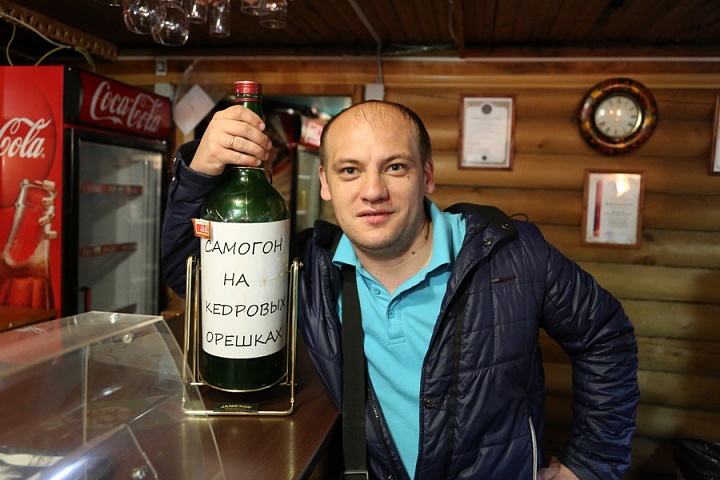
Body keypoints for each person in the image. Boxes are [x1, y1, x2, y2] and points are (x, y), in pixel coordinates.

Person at [161, 100, 640, 480]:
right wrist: (199, 171)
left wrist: (591, 463)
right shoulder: (307, 268)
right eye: (350, 170)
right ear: (325, 183)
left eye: (394, 167)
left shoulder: (512, 255)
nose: (373, 191)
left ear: (426, 176)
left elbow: (606, 336)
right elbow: (188, 273)